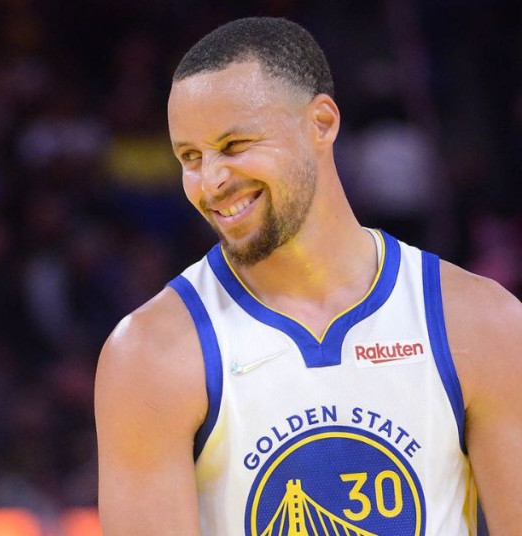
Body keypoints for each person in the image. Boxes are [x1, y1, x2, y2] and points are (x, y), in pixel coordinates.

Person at [95, 16, 522, 535]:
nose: (211, 181)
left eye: (234, 145)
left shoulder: (481, 323)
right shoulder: (149, 354)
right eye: (190, 157)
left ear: (321, 123)